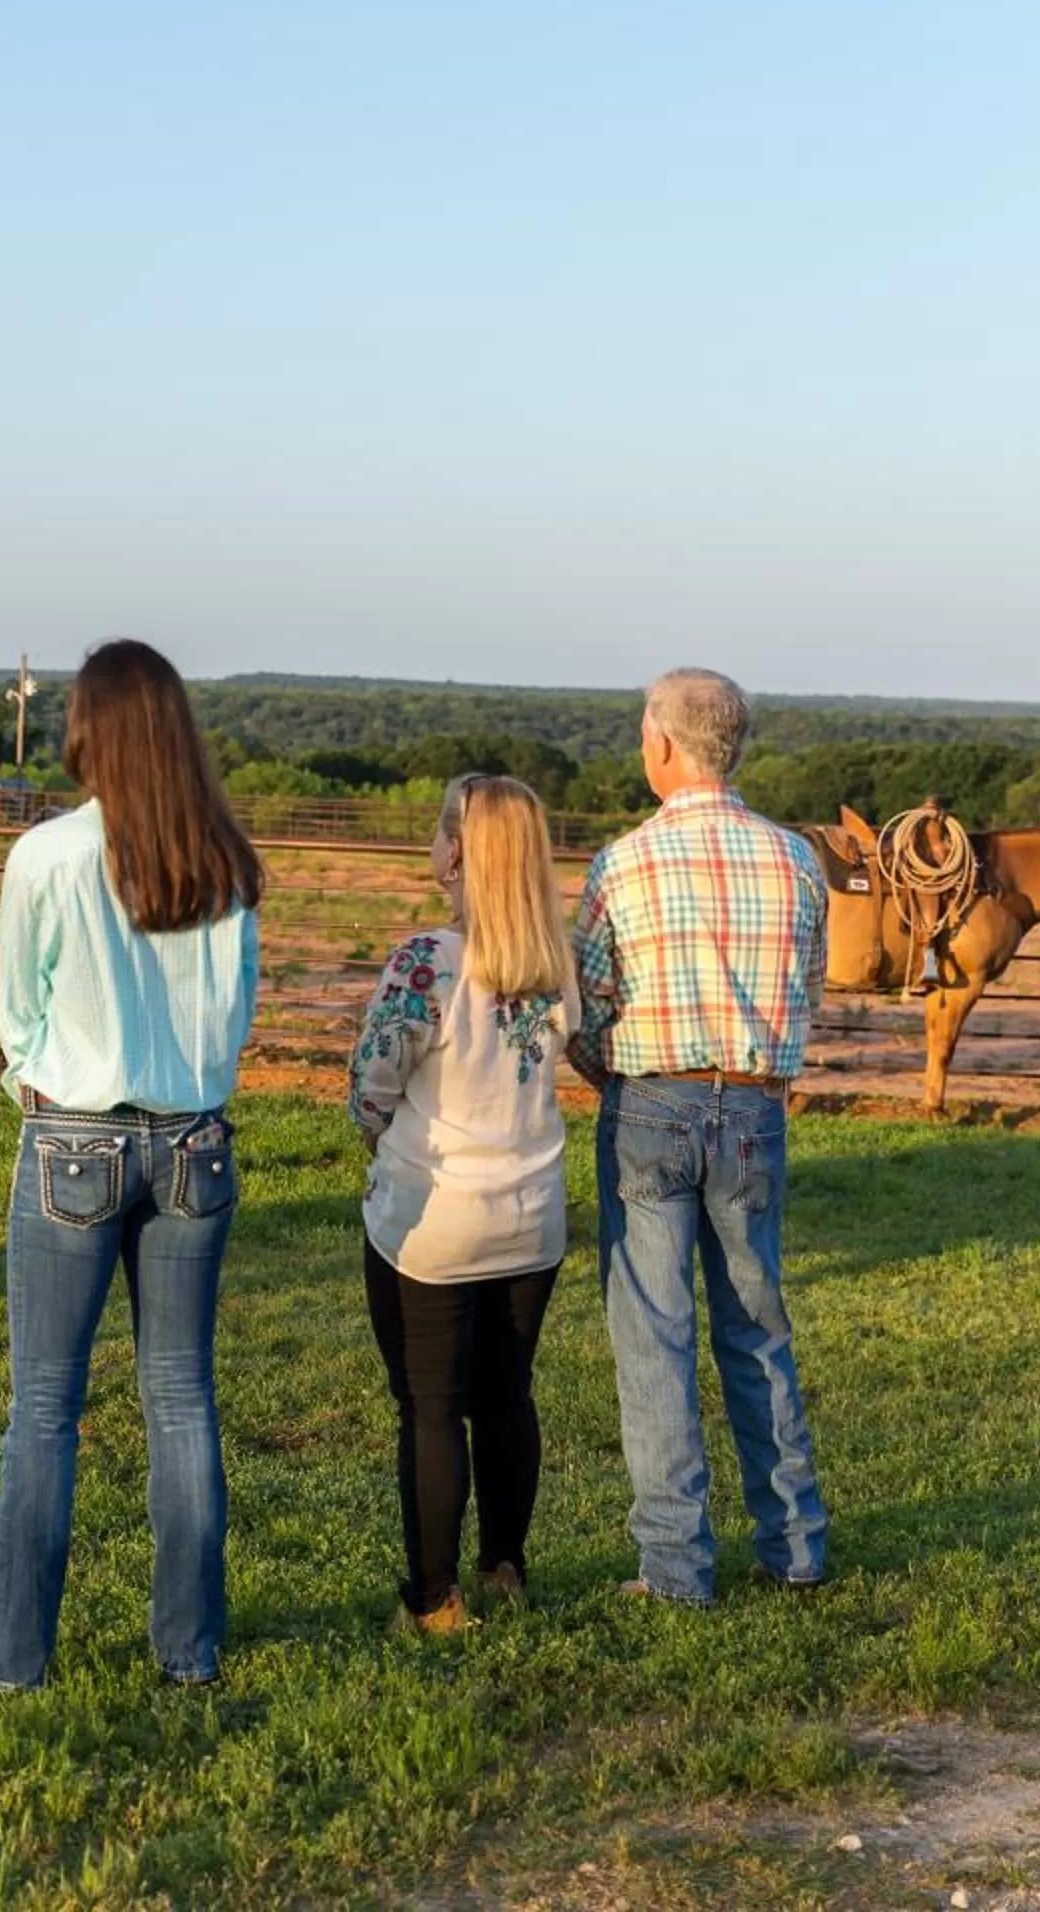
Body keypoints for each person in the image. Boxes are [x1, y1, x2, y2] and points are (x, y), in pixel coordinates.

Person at [0, 638, 262, 1691]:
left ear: (88, 730)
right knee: (182, 1396)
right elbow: (234, 1014)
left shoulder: (47, 855)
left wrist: (39, 1085)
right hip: (196, 1139)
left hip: (73, 1138)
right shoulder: (225, 858)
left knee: (46, 1405)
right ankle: (189, 1649)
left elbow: (18, 1013)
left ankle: (15, 1658)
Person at [569, 667, 831, 1605]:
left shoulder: (621, 863)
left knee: (654, 1337)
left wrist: (615, 1073)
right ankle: (795, 1545)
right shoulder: (796, 858)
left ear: (665, 745)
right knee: (758, 1324)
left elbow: (587, 1005)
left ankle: (678, 1566)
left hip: (651, 1101)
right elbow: (809, 986)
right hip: (755, 1105)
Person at [350, 773, 581, 1633]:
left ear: (455, 851)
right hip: (531, 1217)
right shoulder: (554, 965)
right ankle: (505, 1565)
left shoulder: (425, 963)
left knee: (432, 1406)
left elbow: (372, 1081)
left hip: (434, 1221)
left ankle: (434, 1596)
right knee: (508, 1398)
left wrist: (377, 1136)